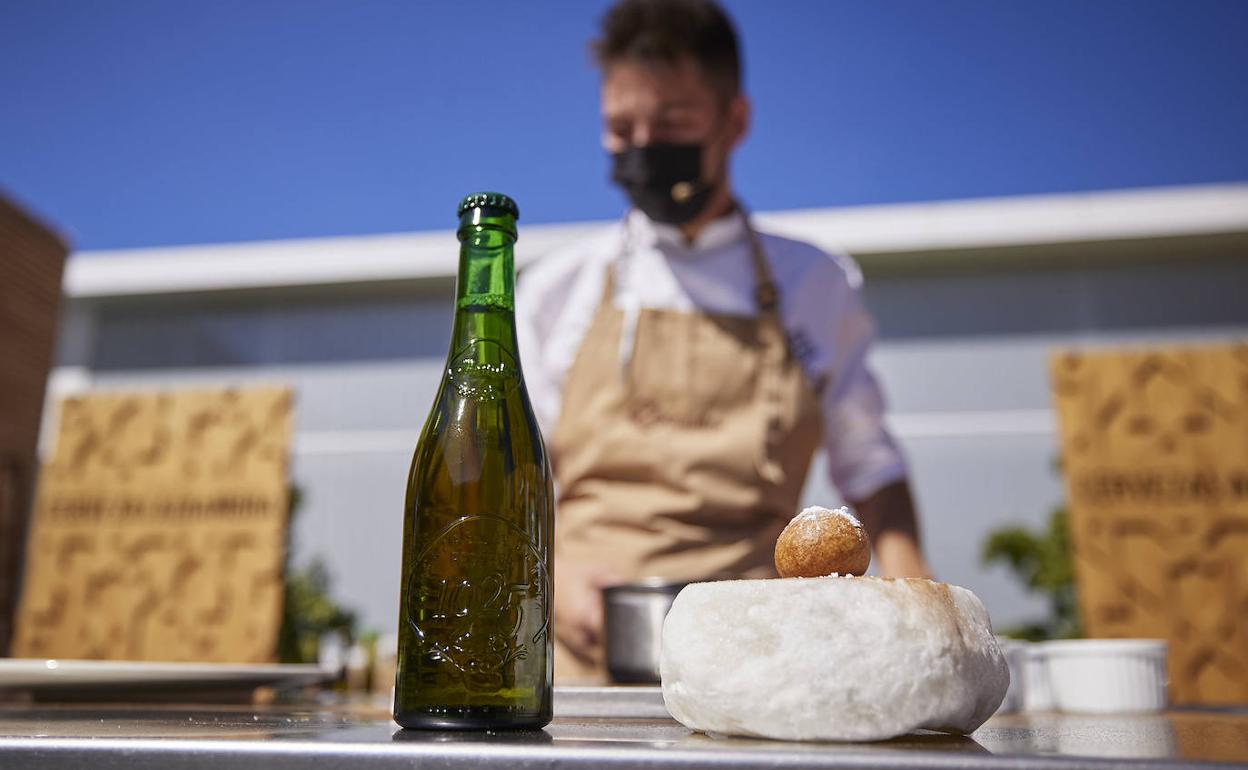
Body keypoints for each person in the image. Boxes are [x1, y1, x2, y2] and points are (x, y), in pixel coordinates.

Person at [515, 0, 933, 683]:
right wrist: (549, 570)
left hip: (758, 657)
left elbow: (872, 470)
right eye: (621, 128)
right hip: (579, 665)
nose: (644, 146)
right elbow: (513, 480)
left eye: (673, 123)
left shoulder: (813, 283)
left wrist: (918, 601)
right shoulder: (555, 292)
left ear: (735, 121)